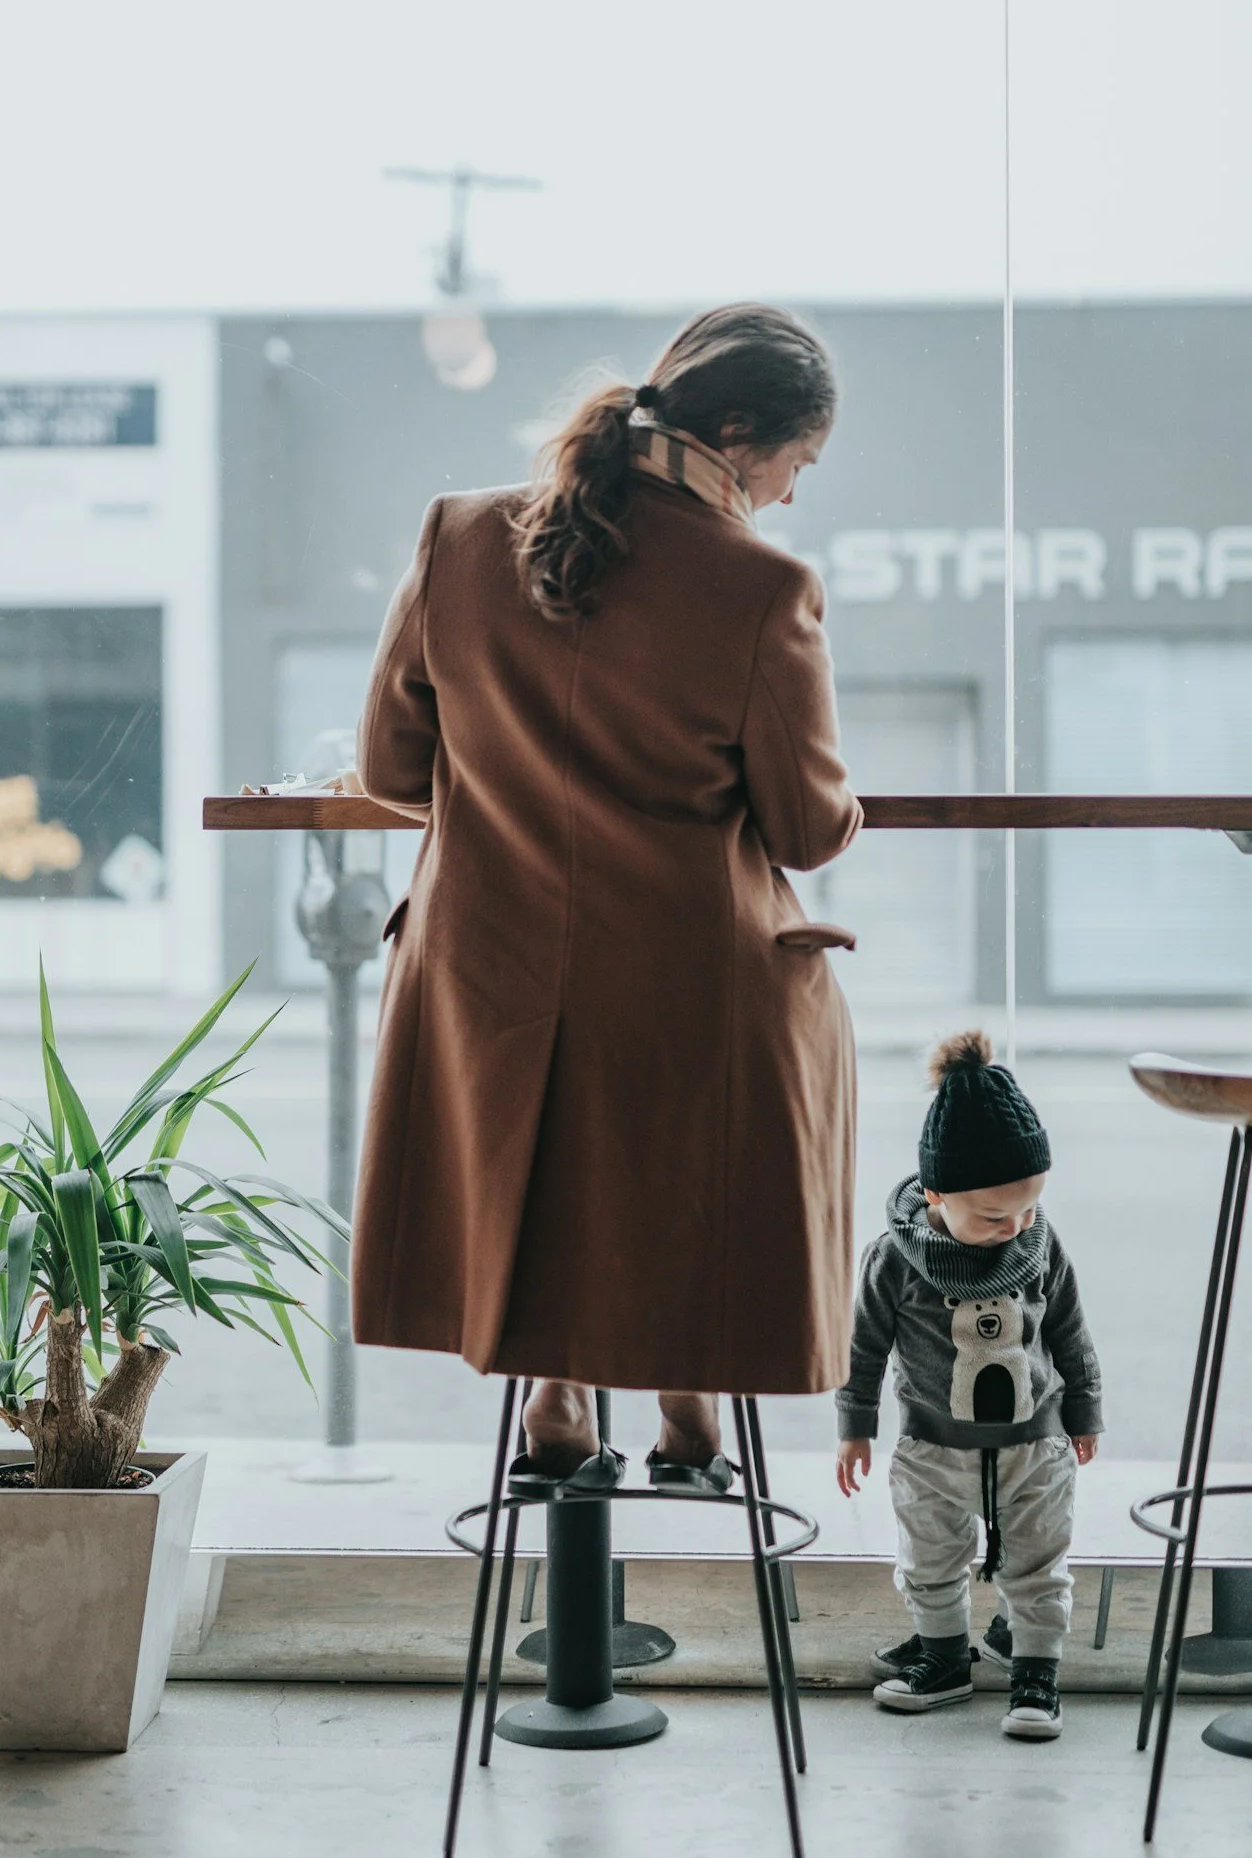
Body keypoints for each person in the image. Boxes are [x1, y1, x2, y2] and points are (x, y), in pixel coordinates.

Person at [350, 303, 862, 1484]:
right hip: (685, 987)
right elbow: (804, 826)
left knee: (560, 1122)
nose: (789, 493)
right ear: (738, 436)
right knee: (692, 1113)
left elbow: (387, 771)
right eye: (796, 462)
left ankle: (557, 1404)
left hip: (484, 982)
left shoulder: (457, 535)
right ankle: (690, 1411)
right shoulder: (761, 586)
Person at [835, 1032, 1104, 1741]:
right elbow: (862, 1347)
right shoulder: (892, 1260)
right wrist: (853, 1426)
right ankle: (943, 1657)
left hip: (1033, 1446)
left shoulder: (1037, 1243)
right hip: (932, 1447)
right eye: (992, 1216)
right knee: (928, 1557)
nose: (1014, 1227)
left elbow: (1069, 1332)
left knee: (1040, 1562)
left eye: (1026, 1208)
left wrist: (1084, 1410)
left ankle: (1034, 1670)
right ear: (934, 1195)